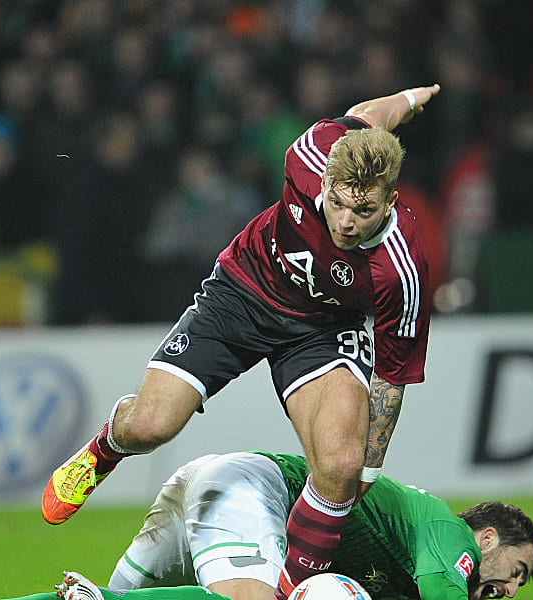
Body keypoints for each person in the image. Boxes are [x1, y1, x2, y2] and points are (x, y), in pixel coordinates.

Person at [42, 85, 440, 600]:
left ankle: (290, 589)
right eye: (337, 203)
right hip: (243, 291)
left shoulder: (401, 269)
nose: (344, 221)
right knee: (150, 425)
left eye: (361, 212)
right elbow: (367, 116)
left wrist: (369, 464)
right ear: (327, 179)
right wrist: (407, 98)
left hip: (323, 329)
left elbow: (391, 376)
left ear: (389, 198)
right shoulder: (310, 153)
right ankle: (105, 449)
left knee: (341, 464)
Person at [0, 452, 533, 600]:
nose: (512, 589)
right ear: (484, 541)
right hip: (248, 492)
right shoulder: (447, 540)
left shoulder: (404, 557)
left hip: (208, 490)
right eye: (514, 572)